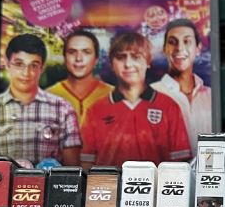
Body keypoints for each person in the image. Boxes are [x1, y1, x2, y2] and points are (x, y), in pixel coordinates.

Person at [81, 31, 190, 168]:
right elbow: (86, 163)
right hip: (110, 182)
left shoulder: (169, 106)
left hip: (155, 182)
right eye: (121, 57)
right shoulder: (95, 110)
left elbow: (180, 164)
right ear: (112, 63)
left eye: (136, 57)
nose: (128, 64)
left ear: (148, 61)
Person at [0, 33, 81, 166]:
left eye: (34, 65)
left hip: (47, 180)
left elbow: (72, 168)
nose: (26, 73)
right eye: (19, 64)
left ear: (42, 68)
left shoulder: (62, 108)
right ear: (7, 64)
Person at [150, 19, 213, 155]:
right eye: (172, 42)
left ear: (198, 48)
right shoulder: (151, 94)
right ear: (165, 49)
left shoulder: (211, 96)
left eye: (187, 41)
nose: (179, 48)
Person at [46, 28, 113, 128]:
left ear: (96, 59)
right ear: (64, 58)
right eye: (72, 52)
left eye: (86, 52)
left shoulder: (113, 95)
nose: (78, 58)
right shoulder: (48, 96)